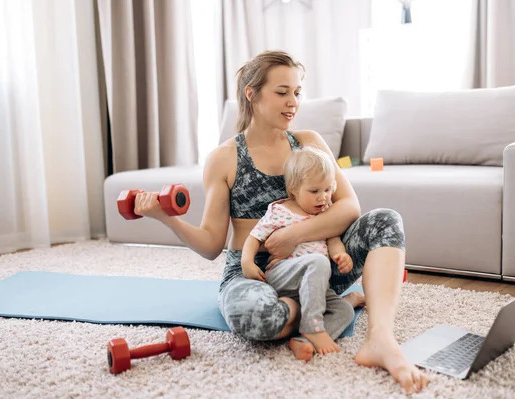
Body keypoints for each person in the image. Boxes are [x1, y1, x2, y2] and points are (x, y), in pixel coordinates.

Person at [134, 50, 429, 394]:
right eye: (282, 92)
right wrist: (165, 218)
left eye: (297, 92)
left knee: (385, 221)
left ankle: (380, 339)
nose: (293, 102)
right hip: (254, 272)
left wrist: (294, 235)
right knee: (254, 319)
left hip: (317, 258)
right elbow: (211, 244)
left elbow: (349, 206)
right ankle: (329, 305)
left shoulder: (309, 143)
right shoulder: (225, 157)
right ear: (252, 93)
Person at [241, 146, 357, 359]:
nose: (323, 198)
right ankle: (313, 326)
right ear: (293, 188)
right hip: (284, 275)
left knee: (344, 311)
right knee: (317, 262)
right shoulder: (280, 211)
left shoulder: (325, 214)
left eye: (327, 190)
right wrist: (247, 262)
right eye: (314, 191)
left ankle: (303, 341)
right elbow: (254, 237)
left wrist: (341, 255)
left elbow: (334, 241)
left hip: (315, 287)